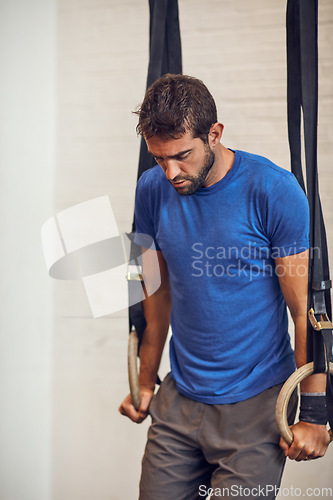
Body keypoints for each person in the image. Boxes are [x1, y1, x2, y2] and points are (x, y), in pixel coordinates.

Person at [119, 74, 330, 500]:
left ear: (214, 134)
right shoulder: (151, 188)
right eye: (159, 159)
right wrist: (145, 379)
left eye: (181, 156)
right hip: (180, 398)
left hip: (256, 404)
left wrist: (315, 412)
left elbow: (304, 308)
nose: (171, 172)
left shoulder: (273, 190)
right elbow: (156, 292)